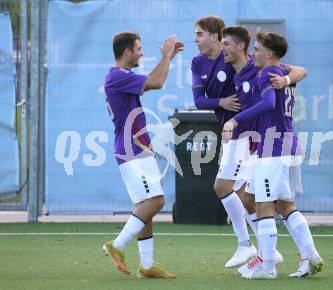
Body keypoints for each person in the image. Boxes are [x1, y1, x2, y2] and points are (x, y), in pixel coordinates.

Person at [192, 16, 306, 268]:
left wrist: (286, 79)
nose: (195, 39)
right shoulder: (201, 62)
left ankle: (252, 249)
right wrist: (222, 106)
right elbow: (200, 100)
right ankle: (280, 254)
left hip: (252, 138)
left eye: (200, 34)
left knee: (226, 187)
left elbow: (297, 71)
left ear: (216, 37)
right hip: (244, 136)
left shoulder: (258, 67)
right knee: (250, 197)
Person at [223, 31, 324, 279]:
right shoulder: (280, 72)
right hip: (286, 145)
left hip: (274, 148)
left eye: (256, 49)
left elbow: (268, 103)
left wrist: (235, 119)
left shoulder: (267, 73)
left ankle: (267, 267)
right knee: (285, 205)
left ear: (268, 53)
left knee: (264, 205)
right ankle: (311, 257)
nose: (252, 53)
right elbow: (294, 77)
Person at [102, 31, 183, 279]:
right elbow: (156, 82)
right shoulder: (117, 76)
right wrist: (167, 55)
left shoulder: (122, 77)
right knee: (156, 201)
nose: (142, 52)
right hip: (131, 149)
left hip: (136, 147)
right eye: (138, 48)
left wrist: (167, 58)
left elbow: (152, 81)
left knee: (145, 207)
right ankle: (117, 245)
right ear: (127, 52)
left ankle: (146, 266)